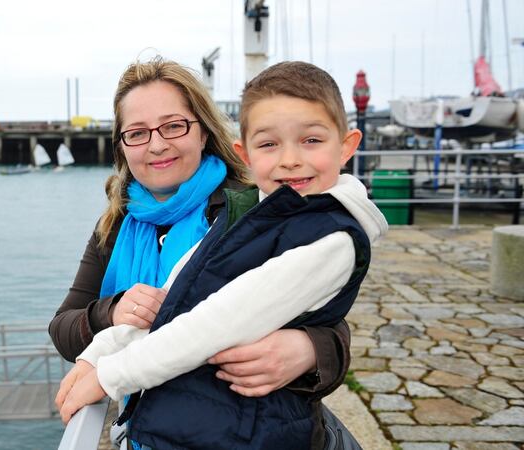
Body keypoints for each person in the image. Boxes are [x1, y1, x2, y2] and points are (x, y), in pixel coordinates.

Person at [56, 61, 388, 449]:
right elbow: (64, 327)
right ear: (122, 146)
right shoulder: (113, 227)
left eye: (173, 126)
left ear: (203, 132)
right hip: (162, 424)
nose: (157, 144)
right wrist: (110, 314)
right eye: (137, 133)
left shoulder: (250, 205)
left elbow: (313, 313)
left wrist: (311, 351)